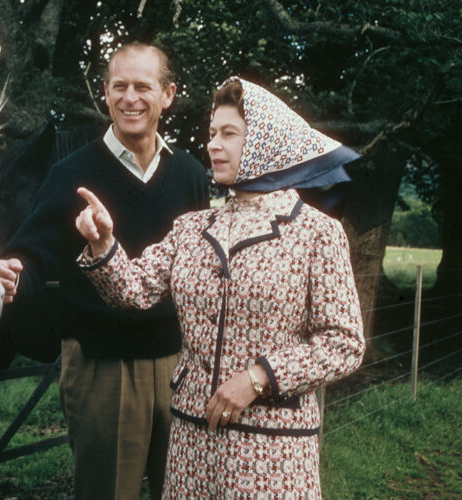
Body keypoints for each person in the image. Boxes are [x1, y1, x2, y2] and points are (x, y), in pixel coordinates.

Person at [74, 76, 365, 497]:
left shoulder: (317, 233)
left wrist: (258, 377)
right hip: (192, 445)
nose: (212, 144)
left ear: (266, 141)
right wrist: (103, 242)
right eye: (211, 134)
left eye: (229, 134)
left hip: (273, 451)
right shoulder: (192, 227)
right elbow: (131, 291)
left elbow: (344, 343)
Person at [0, 43, 208, 499]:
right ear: (105, 94)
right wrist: (14, 272)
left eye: (143, 86)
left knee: (184, 491)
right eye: (120, 86)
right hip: (102, 366)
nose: (130, 98)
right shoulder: (71, 172)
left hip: (178, 365)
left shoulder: (190, 174)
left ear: (167, 95)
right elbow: (33, 253)